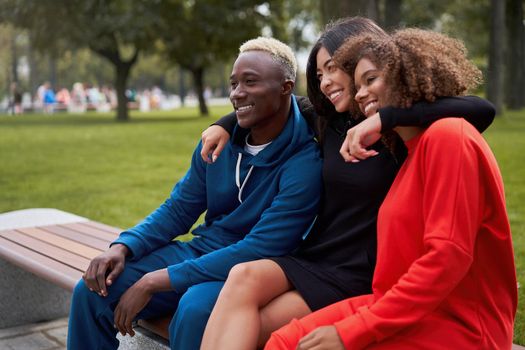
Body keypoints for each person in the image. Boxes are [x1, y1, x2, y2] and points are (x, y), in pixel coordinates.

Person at [200, 18, 496, 350]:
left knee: (266, 331)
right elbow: (277, 103)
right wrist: (225, 124)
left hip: (361, 271)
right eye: (319, 75)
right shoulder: (331, 119)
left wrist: (386, 118)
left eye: (332, 69)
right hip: (319, 255)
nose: (325, 82)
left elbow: (481, 109)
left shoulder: (411, 132)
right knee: (243, 277)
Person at [67, 37, 323, 350]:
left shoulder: (305, 162)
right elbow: (178, 209)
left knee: (194, 311)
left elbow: (259, 248)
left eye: (250, 82)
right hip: (203, 249)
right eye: (233, 83)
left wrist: (154, 280)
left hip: (253, 269)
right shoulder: (218, 143)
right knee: (93, 290)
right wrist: (123, 246)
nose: (237, 93)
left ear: (286, 87)